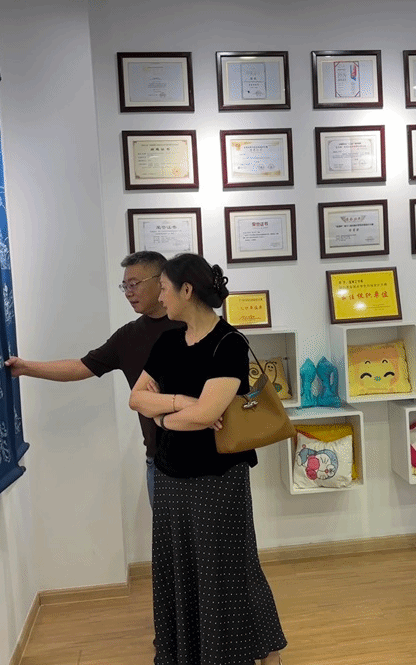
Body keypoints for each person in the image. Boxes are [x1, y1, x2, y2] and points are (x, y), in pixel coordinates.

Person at [129, 253, 287, 665]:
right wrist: (180, 404)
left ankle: (251, 651)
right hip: (170, 473)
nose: (160, 297)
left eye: (164, 288)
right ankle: (189, 651)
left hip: (218, 477)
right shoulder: (167, 342)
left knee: (228, 567)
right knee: (177, 567)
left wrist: (163, 415)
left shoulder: (228, 343)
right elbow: (136, 398)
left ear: (186, 290)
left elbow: (208, 414)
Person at [5, 251, 182, 505]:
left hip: (208, 455)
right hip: (159, 460)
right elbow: (81, 367)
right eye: (125, 286)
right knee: (167, 533)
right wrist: (25, 368)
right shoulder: (129, 336)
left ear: (160, 281)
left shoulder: (190, 326)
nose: (128, 292)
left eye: (134, 284)